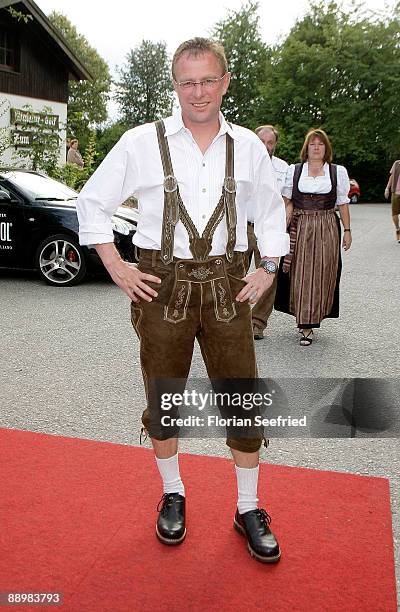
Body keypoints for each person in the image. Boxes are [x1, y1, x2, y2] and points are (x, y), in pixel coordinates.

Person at [76, 38, 289, 563]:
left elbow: (270, 212)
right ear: (176, 85)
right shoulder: (140, 142)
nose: (199, 92)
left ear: (225, 81)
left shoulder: (249, 146)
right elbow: (92, 200)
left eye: (208, 80)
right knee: (164, 400)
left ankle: (247, 507)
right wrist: (117, 266)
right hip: (161, 286)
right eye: (188, 81)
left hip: (227, 285)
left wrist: (268, 267)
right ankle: (173, 493)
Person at [275, 128, 352, 346]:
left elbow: (343, 203)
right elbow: (287, 202)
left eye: (320, 144)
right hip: (300, 226)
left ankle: (313, 316)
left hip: (327, 225)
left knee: (323, 272)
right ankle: (305, 323)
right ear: (306, 148)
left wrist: (347, 231)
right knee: (300, 272)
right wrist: (281, 228)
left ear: (326, 148)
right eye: (312, 144)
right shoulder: (295, 171)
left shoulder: (337, 172)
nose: (316, 147)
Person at [247, 125, 289, 340]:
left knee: (268, 275)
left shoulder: (283, 168)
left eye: (270, 142)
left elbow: (286, 202)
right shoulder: (238, 163)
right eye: (261, 140)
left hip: (267, 231)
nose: (265, 146)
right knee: (230, 273)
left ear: (274, 145)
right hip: (241, 227)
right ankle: (231, 318)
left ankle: (257, 322)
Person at [384, 160, 400, 243]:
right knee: (394, 213)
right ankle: (398, 229)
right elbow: (391, 176)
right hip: (395, 192)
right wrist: (387, 188)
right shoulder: (397, 163)